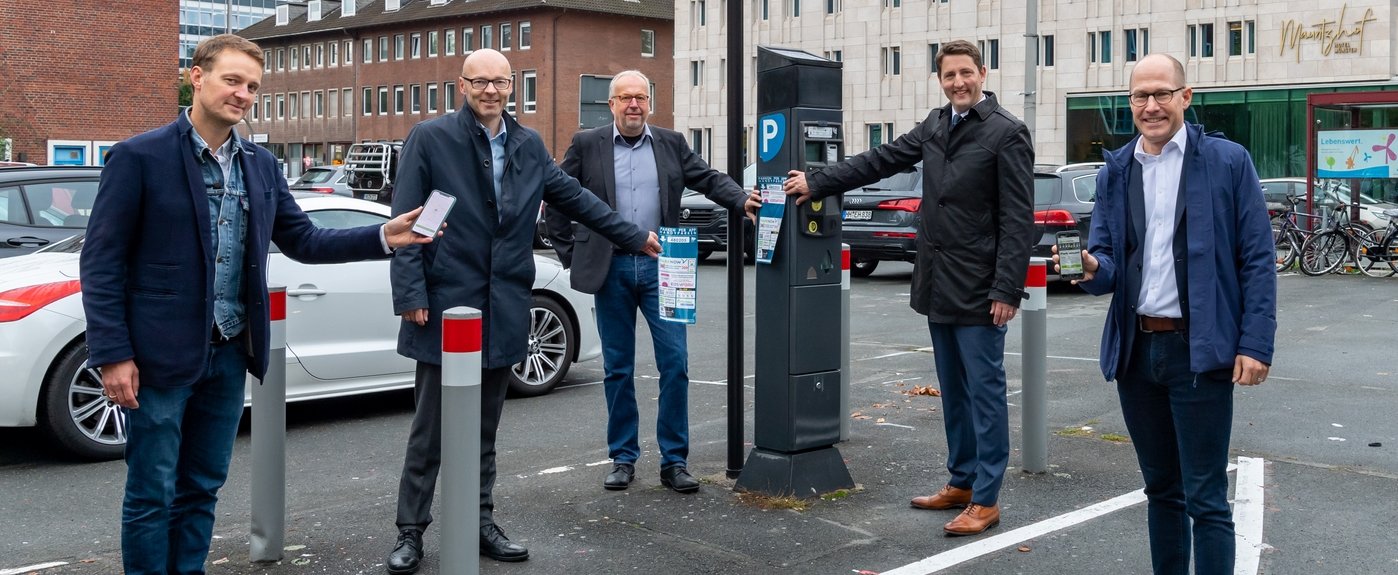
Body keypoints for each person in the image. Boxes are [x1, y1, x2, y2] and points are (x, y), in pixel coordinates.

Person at [80, 34, 436, 575]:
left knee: (202, 487)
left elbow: (307, 242)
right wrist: (112, 353)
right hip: (157, 358)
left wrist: (383, 235)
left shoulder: (260, 165)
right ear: (196, 77)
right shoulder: (139, 157)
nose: (244, 94)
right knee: (152, 492)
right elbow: (102, 263)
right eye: (232, 80)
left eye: (252, 87)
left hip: (229, 354)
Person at [385, 50, 661, 574]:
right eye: (480, 81)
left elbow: (579, 200)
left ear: (512, 86)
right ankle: (410, 532)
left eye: (500, 82)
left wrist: (634, 236)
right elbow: (408, 222)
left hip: (505, 305)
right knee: (431, 431)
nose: (491, 90)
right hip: (448, 305)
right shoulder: (432, 137)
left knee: (485, 429)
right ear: (462, 84)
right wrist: (411, 295)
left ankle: (479, 520)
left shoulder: (528, 145)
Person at [783, 39, 1034, 536]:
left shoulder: (1007, 133)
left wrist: (1007, 288)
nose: (958, 82)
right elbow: (881, 159)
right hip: (939, 283)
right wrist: (820, 181)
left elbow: (1017, 219)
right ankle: (961, 481)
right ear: (940, 80)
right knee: (955, 393)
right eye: (949, 75)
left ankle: (986, 499)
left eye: (966, 73)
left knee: (984, 395)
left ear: (982, 73)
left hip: (982, 289)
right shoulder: (936, 125)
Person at [1054, 53, 1276, 574]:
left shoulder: (1227, 161)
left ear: (1185, 96)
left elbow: (1257, 259)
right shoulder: (1118, 169)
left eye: (1161, 94)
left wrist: (1256, 343)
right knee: (1161, 491)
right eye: (1140, 96)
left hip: (1199, 352)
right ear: (1129, 102)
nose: (1151, 106)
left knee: (1205, 497)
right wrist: (1088, 266)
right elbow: (1108, 263)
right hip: (1137, 353)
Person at [544, 70, 761, 493]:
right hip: (611, 268)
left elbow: (708, 178)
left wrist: (741, 199)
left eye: (641, 98)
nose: (633, 106)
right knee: (618, 368)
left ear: (650, 103)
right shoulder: (587, 145)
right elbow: (557, 198)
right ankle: (623, 457)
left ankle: (674, 461)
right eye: (625, 98)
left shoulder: (671, 143)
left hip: (666, 266)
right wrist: (571, 255)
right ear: (611, 105)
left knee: (675, 364)